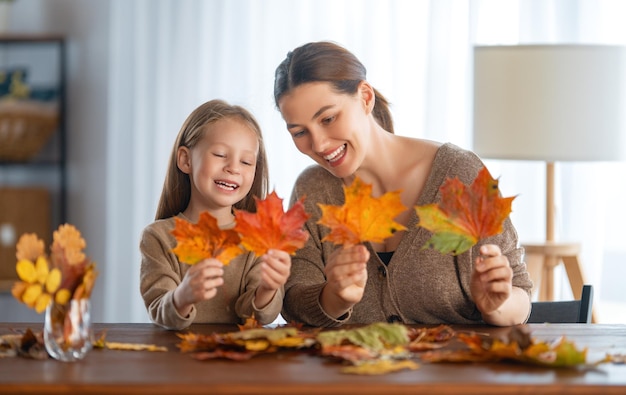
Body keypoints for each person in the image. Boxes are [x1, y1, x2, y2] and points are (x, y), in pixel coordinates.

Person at [273, 41, 533, 327]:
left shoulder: (459, 173)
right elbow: (294, 300)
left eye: (329, 118)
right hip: (353, 369)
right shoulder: (313, 191)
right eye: (299, 132)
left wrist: (497, 305)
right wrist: (334, 298)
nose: (319, 144)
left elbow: (519, 296)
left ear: (365, 97)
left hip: (455, 369)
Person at [140, 99, 291, 330]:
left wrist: (268, 289)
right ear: (185, 159)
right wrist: (183, 297)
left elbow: (257, 317)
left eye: (246, 161)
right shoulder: (158, 237)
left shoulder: (259, 238)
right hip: (178, 361)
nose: (234, 167)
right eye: (220, 154)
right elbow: (159, 309)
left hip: (239, 359)